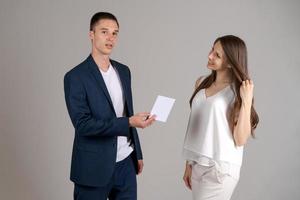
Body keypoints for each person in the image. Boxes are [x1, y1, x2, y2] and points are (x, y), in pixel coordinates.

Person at [64, 12, 155, 200]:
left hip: (126, 163)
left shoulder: (123, 71)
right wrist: (128, 122)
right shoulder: (75, 77)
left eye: (115, 33)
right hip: (92, 167)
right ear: (91, 34)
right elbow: (83, 125)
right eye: (104, 32)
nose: (110, 38)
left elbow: (126, 111)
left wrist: (137, 152)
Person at [182, 35, 259, 200]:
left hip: (221, 169)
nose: (210, 56)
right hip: (198, 163)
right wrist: (189, 163)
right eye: (212, 50)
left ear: (231, 62)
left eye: (217, 55)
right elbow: (196, 126)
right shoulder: (201, 83)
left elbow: (240, 139)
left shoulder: (238, 92)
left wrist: (246, 102)